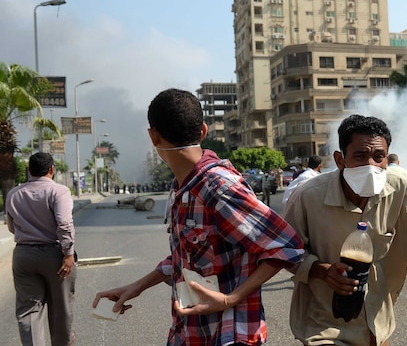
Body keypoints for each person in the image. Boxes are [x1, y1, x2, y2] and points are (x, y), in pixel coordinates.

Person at [93, 88, 305, 345]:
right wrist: (136, 287)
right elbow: (186, 255)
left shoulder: (218, 186)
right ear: (204, 131)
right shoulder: (182, 186)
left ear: (153, 136)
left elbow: (285, 245)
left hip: (229, 335)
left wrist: (232, 298)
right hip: (190, 332)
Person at [282, 114, 407, 345]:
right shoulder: (308, 197)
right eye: (360, 156)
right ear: (340, 160)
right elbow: (284, 250)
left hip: (376, 321)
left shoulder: (397, 187)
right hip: (324, 322)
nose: (371, 165)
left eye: (378, 157)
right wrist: (322, 270)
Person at [6, 152, 77, 346]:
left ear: (29, 170)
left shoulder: (14, 193)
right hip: (54, 255)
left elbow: (11, 226)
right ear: (52, 169)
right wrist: (68, 254)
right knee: (61, 308)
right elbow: (64, 224)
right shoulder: (59, 191)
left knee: (29, 310)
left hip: (23, 255)